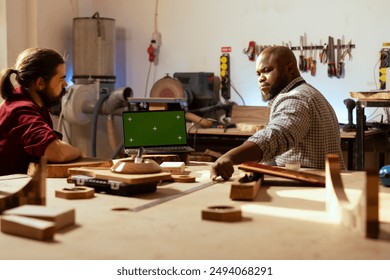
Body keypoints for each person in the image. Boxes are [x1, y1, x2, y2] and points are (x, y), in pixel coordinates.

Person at [211, 45, 344, 180]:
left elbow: (275, 136)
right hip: (324, 184)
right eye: (258, 74)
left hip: (309, 188)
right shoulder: (310, 93)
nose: (261, 78)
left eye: (267, 70)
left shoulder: (295, 98)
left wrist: (230, 157)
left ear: (290, 68)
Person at [0, 47, 85, 176]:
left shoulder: (34, 105)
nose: (65, 85)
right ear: (40, 83)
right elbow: (57, 152)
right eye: (61, 79)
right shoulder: (22, 111)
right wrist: (79, 152)